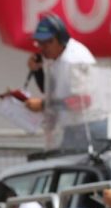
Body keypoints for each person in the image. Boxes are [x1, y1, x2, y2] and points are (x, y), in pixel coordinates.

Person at [20, 14, 99, 151]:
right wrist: (37, 71)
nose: (43, 48)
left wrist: (43, 105)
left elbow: (83, 101)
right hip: (75, 127)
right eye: (39, 43)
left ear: (60, 39)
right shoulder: (59, 58)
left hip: (88, 127)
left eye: (48, 42)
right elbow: (52, 92)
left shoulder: (72, 60)